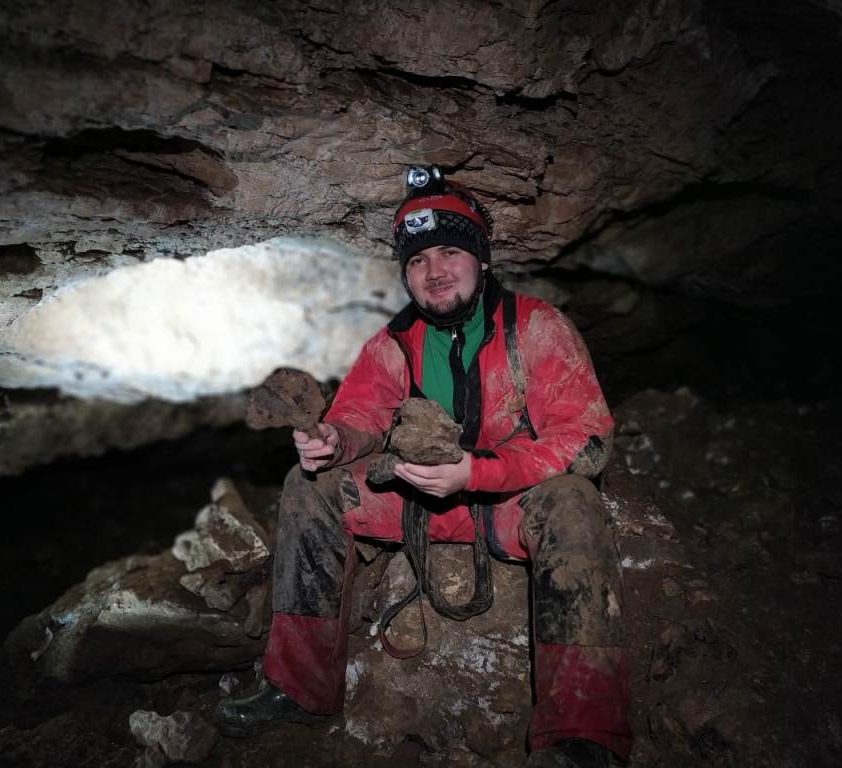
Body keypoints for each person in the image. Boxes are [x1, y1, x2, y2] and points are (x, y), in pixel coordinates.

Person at [216, 166, 632, 767]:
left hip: (508, 506)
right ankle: (298, 688)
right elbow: (360, 413)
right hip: (417, 504)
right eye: (417, 261)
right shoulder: (394, 343)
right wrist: (333, 439)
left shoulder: (536, 328)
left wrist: (479, 472)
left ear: (481, 259)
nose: (433, 270)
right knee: (309, 486)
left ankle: (582, 736)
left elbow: (586, 439)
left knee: (573, 501)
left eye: (449, 253)